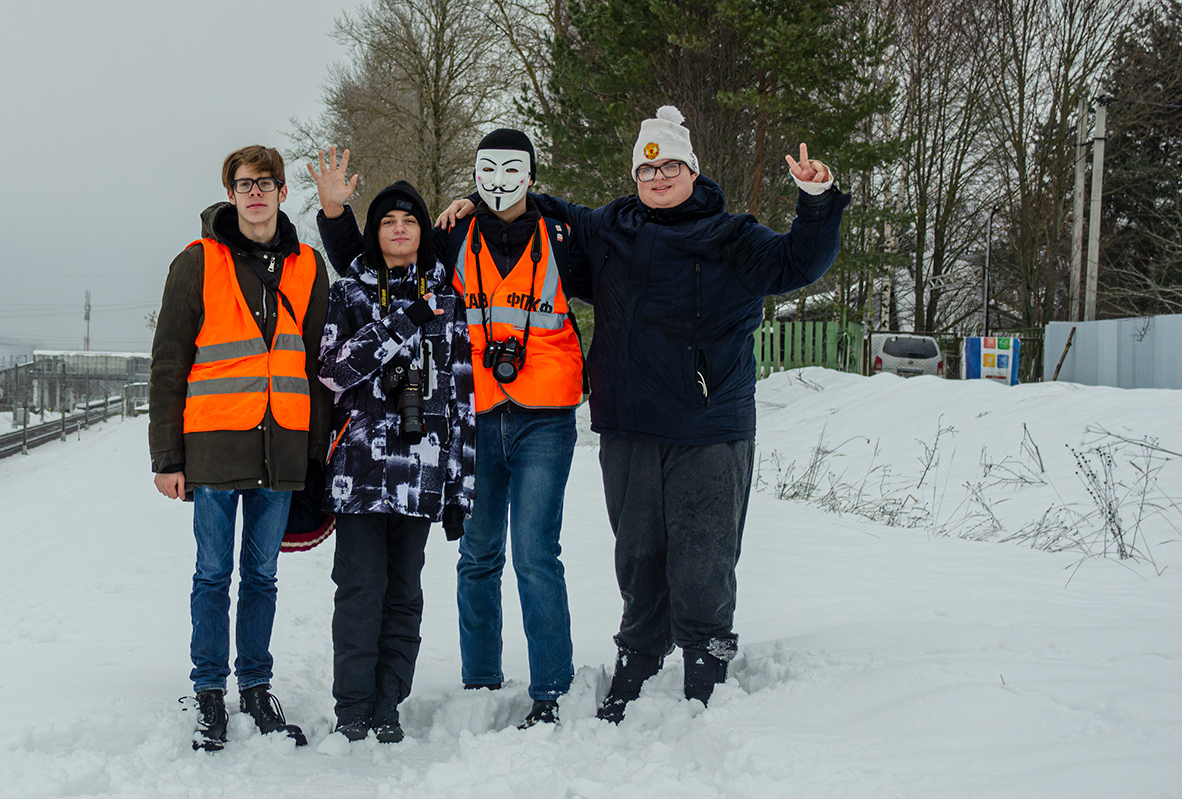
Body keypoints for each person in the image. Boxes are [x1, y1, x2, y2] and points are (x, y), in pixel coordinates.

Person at [446, 106, 849, 721]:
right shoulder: (611, 227)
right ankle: (640, 646)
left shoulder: (732, 236)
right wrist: (477, 200)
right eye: (646, 169)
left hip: (707, 423)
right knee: (637, 549)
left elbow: (800, 262)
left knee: (702, 549)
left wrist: (816, 203)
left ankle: (705, 649)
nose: (657, 179)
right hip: (629, 420)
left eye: (670, 168)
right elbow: (539, 205)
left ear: (692, 171)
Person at [310, 131, 590, 728]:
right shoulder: (446, 243)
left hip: (530, 418)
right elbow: (366, 257)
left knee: (532, 554)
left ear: (532, 176)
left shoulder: (557, 237)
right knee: (471, 559)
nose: (401, 228)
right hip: (443, 433)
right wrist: (334, 209)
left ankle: (550, 690)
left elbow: (618, 261)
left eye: (513, 170)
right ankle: (472, 686)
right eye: (487, 171)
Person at [149, 144, 331, 751]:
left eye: (266, 183)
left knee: (262, 574)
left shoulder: (309, 265)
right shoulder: (198, 262)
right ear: (231, 194)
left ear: (283, 192)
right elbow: (168, 364)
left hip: (282, 445)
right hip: (214, 446)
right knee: (212, 573)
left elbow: (318, 363)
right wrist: (167, 458)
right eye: (244, 184)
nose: (256, 193)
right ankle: (209, 694)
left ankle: (255, 687)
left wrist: (317, 449)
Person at [317, 181, 475, 742]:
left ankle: (389, 705)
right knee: (360, 592)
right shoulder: (348, 293)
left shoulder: (448, 295)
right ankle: (352, 709)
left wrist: (461, 490)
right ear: (374, 232)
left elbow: (461, 397)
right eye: (388, 222)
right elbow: (333, 371)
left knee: (404, 596)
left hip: (422, 472)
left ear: (423, 231)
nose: (400, 229)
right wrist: (404, 320)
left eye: (410, 221)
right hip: (360, 473)